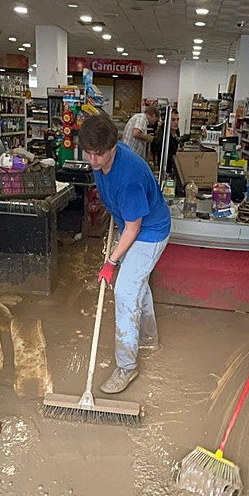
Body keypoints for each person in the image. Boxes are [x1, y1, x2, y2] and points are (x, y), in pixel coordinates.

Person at [79, 114, 171, 394]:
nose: (93, 161)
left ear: (113, 147)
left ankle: (127, 367)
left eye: (99, 155)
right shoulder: (102, 158)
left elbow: (134, 228)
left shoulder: (129, 176)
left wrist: (111, 262)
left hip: (150, 232)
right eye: (88, 153)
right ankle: (149, 337)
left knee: (125, 290)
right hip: (131, 225)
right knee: (136, 284)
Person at [150, 109, 191, 178]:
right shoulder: (163, 135)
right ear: (166, 121)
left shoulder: (176, 131)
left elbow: (178, 141)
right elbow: (162, 155)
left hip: (175, 166)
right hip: (166, 168)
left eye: (177, 119)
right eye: (173, 120)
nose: (176, 122)